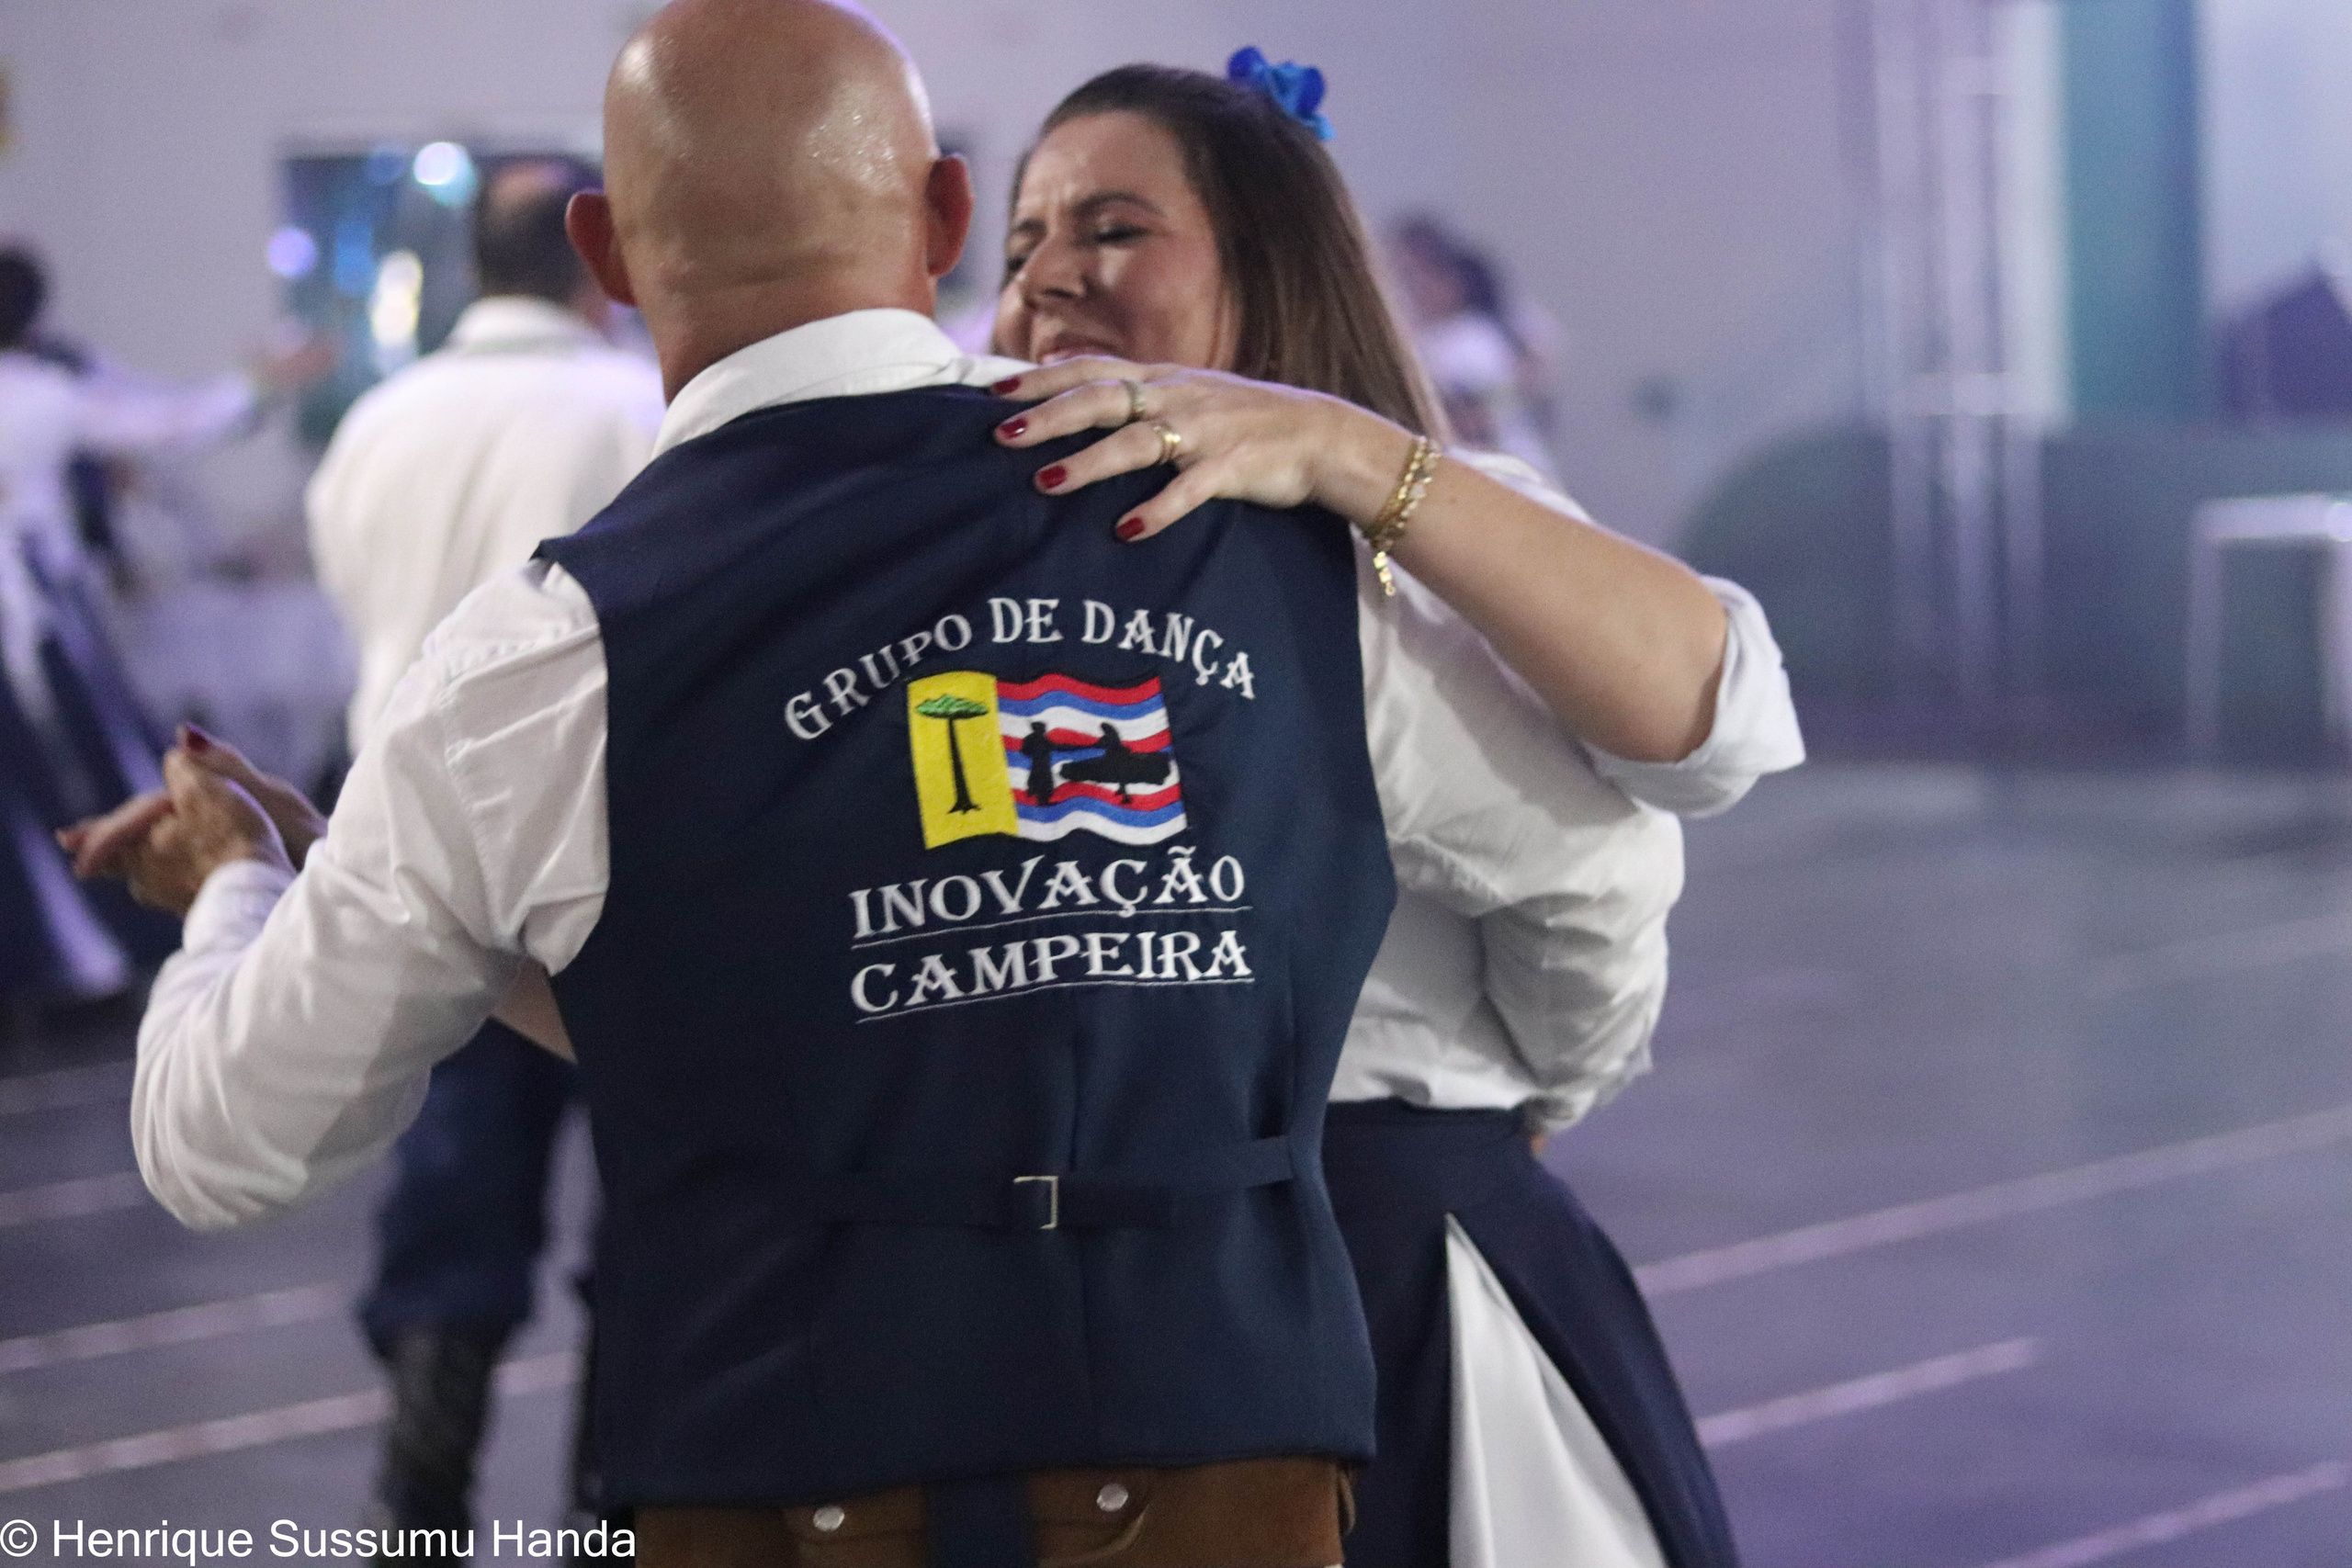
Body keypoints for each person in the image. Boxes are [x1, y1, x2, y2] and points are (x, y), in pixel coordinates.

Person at [64, 4, 1435, 1563]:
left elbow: (223, 1137)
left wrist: (240, 877)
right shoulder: (1259, 520)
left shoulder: (540, 647)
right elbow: (1637, 779)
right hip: (1235, 1456)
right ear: (945, 215)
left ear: (609, 251)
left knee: (486, 1221)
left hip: (793, 1473)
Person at [985, 57, 1805, 1566]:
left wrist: (1347, 451)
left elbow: (1699, 748)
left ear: (1267, 263)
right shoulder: (995, 576)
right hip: (1073, 1287)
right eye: (1022, 241)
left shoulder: (1403, 532)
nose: (1046, 278)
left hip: (1381, 1250)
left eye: (1112, 228)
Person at [302, 157, 664, 1547]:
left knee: (452, 1183)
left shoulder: (378, 422)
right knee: (654, 1196)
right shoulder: (644, 406)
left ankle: (420, 1492)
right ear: (602, 252)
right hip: (625, 866)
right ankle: (618, 1508)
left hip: (428, 862)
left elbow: (361, 616)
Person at [0, 244, 325, 1003]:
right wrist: (257, 382)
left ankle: (60, 957)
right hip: (39, 619)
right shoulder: (42, 394)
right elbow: (170, 421)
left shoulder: (45, 389)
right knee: (96, 772)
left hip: (39, 609)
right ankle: (117, 945)